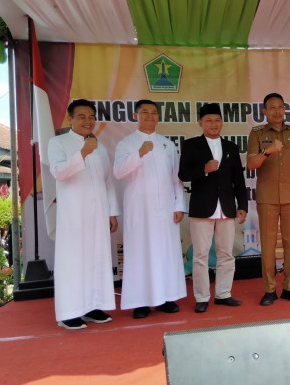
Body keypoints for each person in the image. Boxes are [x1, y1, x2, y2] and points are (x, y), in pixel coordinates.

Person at [48, 99, 119, 330]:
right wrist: (82, 154)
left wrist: (112, 211)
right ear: (70, 118)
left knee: (97, 259)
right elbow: (59, 172)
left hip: (98, 214)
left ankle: (93, 306)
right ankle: (69, 312)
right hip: (73, 215)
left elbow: (107, 182)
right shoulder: (58, 143)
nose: (88, 121)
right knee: (73, 262)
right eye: (81, 117)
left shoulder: (100, 147)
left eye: (91, 117)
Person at [113, 99, 187, 319]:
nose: (149, 116)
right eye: (144, 112)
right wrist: (139, 154)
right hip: (140, 209)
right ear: (136, 116)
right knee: (140, 253)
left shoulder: (167, 144)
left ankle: (167, 297)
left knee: (166, 252)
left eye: (154, 112)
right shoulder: (126, 144)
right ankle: (141, 301)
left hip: (165, 209)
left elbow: (176, 178)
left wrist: (179, 204)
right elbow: (118, 172)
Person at [178, 103, 248, 313]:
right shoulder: (191, 145)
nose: (213, 124)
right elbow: (183, 175)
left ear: (222, 123)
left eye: (217, 120)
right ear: (200, 123)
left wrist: (242, 205)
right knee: (200, 255)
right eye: (208, 120)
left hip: (226, 207)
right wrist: (204, 169)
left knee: (226, 253)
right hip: (202, 208)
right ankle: (201, 297)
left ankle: (223, 294)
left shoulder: (231, 147)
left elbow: (239, 180)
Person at [247, 93, 290, 306]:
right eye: (272, 107)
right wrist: (267, 151)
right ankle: (270, 289)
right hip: (267, 197)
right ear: (264, 111)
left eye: (280, 107)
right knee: (268, 244)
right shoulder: (256, 134)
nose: (277, 111)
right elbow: (251, 165)